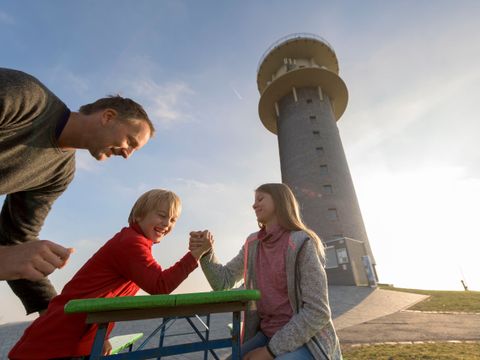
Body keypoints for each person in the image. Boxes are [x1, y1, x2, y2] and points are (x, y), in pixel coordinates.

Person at [0, 67, 155, 316]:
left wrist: (60, 320)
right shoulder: (25, 95)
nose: (128, 154)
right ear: (108, 117)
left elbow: (17, 240)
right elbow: (7, 256)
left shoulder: (59, 174)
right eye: (130, 141)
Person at [9, 189, 212, 359]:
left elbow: (101, 293)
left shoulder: (133, 241)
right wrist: (195, 255)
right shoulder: (131, 244)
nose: (167, 223)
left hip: (70, 338)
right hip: (56, 342)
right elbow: (160, 285)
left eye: (173, 219)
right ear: (139, 215)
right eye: (161, 215)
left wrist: (102, 336)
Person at [189, 183, 342, 359]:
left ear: (280, 201)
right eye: (254, 201)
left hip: (309, 340)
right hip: (267, 335)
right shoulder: (252, 244)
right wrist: (205, 252)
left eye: (260, 199)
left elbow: (318, 312)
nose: (254, 205)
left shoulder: (302, 243)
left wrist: (269, 352)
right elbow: (223, 281)